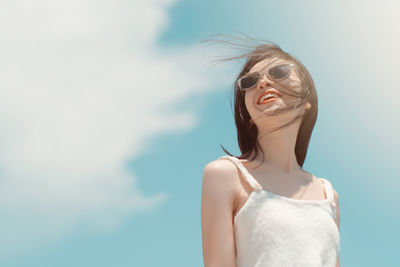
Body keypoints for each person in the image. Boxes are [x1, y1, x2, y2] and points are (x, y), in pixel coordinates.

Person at [201, 35, 340, 267]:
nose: (262, 83)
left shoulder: (329, 196)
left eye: (279, 72)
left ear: (308, 99)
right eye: (249, 82)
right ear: (247, 113)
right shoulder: (225, 175)